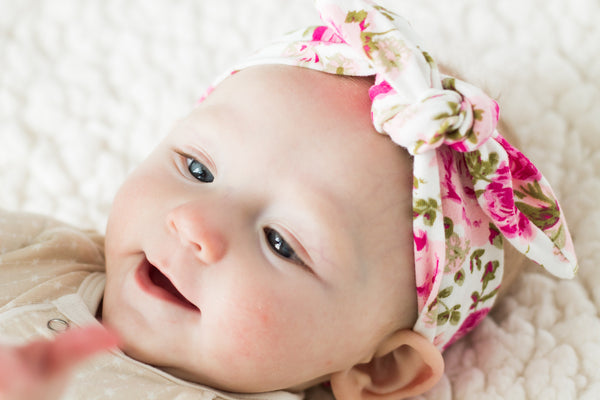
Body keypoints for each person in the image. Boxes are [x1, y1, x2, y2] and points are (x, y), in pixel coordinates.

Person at [0, 1, 578, 399]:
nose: (195, 223)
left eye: (281, 244)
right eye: (196, 167)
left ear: (380, 369)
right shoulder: (41, 253)